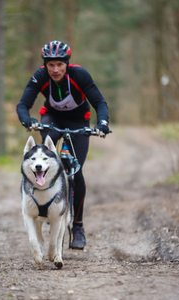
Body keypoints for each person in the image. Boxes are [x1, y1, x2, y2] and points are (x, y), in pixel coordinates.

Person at [16, 40, 110, 249]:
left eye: (60, 64)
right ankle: (47, 206)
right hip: (52, 119)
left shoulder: (79, 75)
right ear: (45, 65)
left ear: (67, 63)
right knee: (47, 163)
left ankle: (77, 226)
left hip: (79, 122)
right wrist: (27, 120)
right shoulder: (40, 76)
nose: (55, 70)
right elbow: (23, 104)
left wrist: (102, 123)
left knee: (76, 173)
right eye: (51, 65)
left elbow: (99, 102)